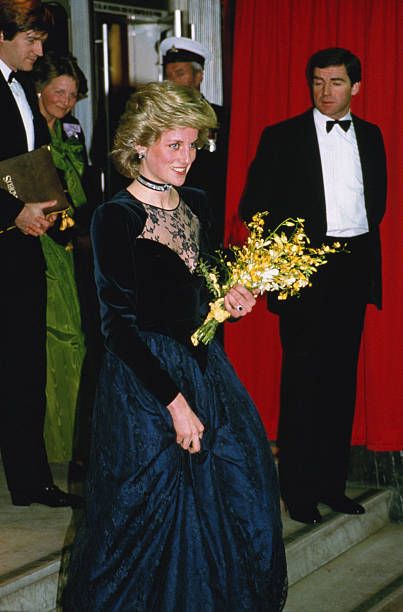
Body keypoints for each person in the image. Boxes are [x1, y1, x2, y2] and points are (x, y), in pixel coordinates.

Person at [63, 81, 287, 611]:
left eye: (192, 145)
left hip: (205, 370)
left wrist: (230, 294)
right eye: (174, 146)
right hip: (146, 385)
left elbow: (203, 276)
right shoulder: (114, 218)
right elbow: (117, 327)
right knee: (148, 519)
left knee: (235, 496)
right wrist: (175, 404)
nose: (187, 158)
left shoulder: (198, 203)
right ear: (140, 144)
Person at [240, 48, 387, 525]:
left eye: (337, 82)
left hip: (352, 270)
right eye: (319, 82)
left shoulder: (371, 135)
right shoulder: (281, 137)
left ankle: (332, 486)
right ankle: (299, 492)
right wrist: (295, 250)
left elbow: (376, 204)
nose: (326, 91)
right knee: (303, 384)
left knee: (340, 384)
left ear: (356, 88)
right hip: (305, 271)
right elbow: (252, 206)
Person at [0, 0, 81, 508]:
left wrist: (61, 220)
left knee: (24, 368)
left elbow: (30, 167)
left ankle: (31, 482)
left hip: (22, 252)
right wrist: (11, 214)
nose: (40, 49)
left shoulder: (23, 93)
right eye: (31, 39)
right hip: (7, 237)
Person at [32, 51, 94, 467]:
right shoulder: (27, 127)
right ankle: (58, 441)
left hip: (75, 237)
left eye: (73, 94)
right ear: (40, 89)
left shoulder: (71, 127)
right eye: (60, 92)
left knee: (81, 331)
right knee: (60, 333)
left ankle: (80, 437)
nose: (66, 101)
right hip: (40, 238)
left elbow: (83, 178)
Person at [160, 36, 229, 249]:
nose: (171, 82)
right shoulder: (158, 118)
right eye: (168, 75)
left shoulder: (221, 117)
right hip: (166, 211)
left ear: (199, 76)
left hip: (211, 213)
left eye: (179, 74)